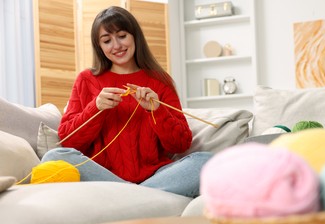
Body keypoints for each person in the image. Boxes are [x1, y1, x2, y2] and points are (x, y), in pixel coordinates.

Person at [41, 6, 213, 198]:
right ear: (99, 46)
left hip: (155, 176)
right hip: (102, 177)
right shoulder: (86, 79)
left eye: (122, 36)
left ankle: (131, 195)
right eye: (107, 40)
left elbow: (180, 144)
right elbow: (68, 141)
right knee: (54, 157)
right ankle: (141, 196)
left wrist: (157, 111)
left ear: (134, 37)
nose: (116, 45)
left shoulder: (160, 81)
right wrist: (95, 108)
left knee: (207, 161)